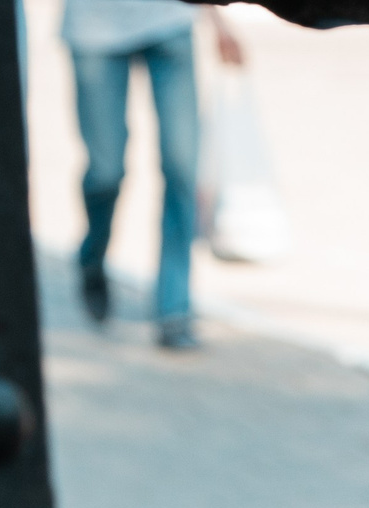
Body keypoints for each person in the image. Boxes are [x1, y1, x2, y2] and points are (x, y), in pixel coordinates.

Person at [61, 0, 243, 350]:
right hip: (94, 26)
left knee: (181, 168)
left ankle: (174, 310)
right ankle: (91, 259)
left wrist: (218, 20)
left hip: (169, 19)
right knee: (105, 173)